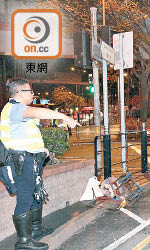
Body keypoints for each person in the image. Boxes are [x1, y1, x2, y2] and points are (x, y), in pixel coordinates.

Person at [0, 79, 80, 250]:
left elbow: (21, 136)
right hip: (22, 162)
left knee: (36, 194)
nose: (33, 94)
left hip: (30, 159)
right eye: (30, 91)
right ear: (20, 93)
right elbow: (37, 113)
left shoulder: (17, 110)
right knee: (25, 199)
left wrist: (40, 149)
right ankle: (23, 241)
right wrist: (63, 116)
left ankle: (35, 231)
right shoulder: (15, 108)